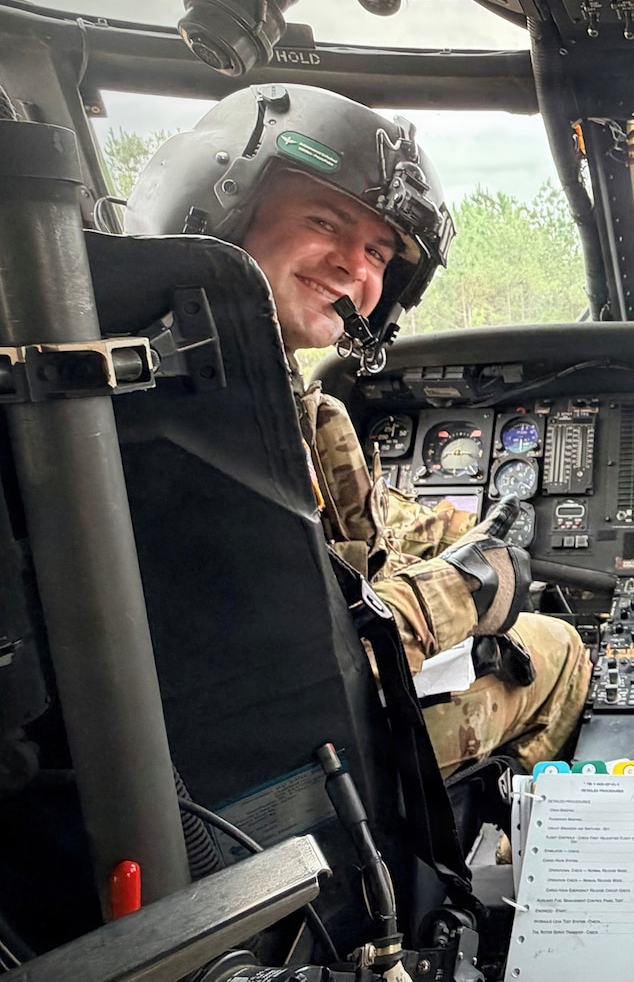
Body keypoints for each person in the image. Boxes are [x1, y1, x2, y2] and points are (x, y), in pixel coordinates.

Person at [125, 83, 592, 776]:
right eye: (324, 221)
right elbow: (296, 653)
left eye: (379, 253)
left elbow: (343, 540)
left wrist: (450, 533)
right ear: (225, 203)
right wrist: (462, 592)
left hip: (270, 733)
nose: (355, 267)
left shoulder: (241, 388)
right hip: (287, 760)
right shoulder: (192, 417)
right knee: (558, 651)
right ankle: (474, 844)